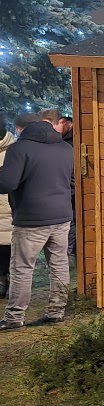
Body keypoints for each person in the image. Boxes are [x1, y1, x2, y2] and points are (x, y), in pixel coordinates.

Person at [0, 110, 73, 329]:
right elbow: (70, 181)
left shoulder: (19, 149)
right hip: (61, 216)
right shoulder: (65, 147)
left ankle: (14, 317)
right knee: (59, 264)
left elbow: (6, 184)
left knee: (22, 268)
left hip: (31, 218)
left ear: (20, 129)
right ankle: (57, 312)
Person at [0, 118, 15, 299]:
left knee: (11, 248)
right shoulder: (15, 149)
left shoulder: (14, 151)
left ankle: (11, 282)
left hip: (10, 208)